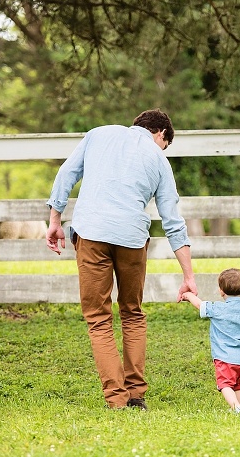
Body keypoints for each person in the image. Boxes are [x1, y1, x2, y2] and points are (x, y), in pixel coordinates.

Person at [45, 109, 198, 410]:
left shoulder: (98, 133)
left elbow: (67, 174)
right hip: (131, 239)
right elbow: (173, 222)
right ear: (161, 134)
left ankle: (116, 399)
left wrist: (54, 219)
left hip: (91, 234)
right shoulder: (159, 161)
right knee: (132, 312)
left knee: (98, 317)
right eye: (165, 144)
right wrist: (189, 276)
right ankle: (136, 395)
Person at [181, 268, 240, 414]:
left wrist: (188, 295)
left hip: (225, 357)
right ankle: (238, 408)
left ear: (221, 291)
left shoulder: (217, 308)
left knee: (225, 384)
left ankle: (236, 408)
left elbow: (200, 305)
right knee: (238, 385)